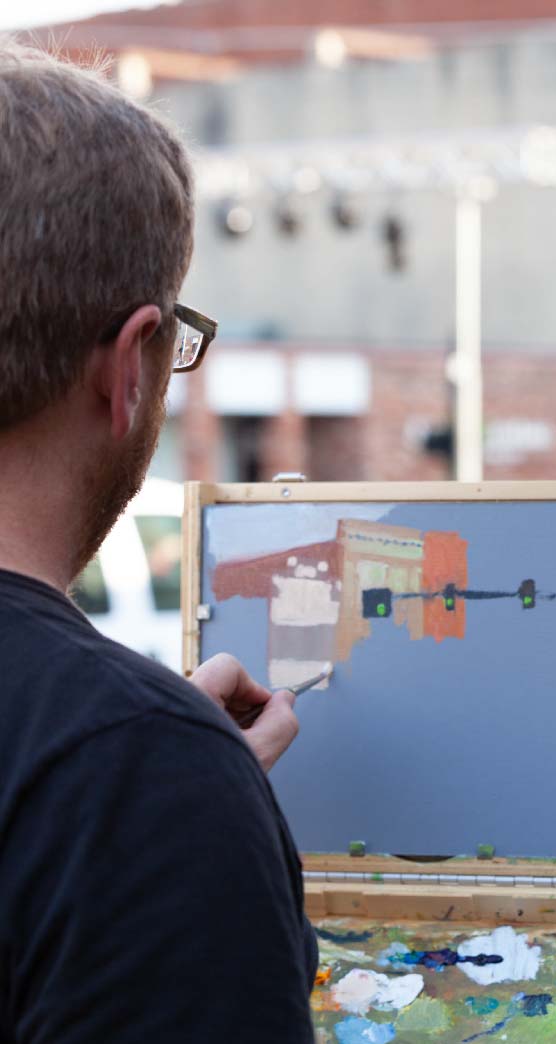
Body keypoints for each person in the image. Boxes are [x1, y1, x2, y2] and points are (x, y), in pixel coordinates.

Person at [0, 46, 316, 1041]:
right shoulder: (136, 777)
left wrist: (154, 767)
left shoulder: (131, 768)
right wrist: (164, 790)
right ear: (132, 364)